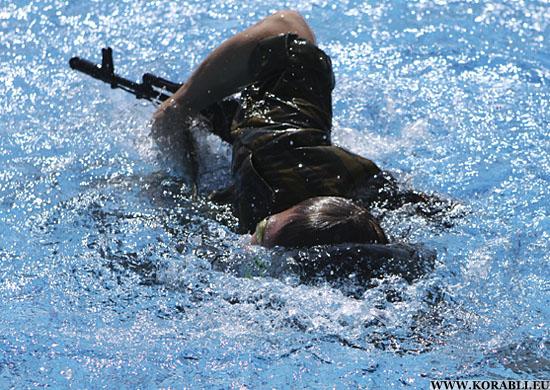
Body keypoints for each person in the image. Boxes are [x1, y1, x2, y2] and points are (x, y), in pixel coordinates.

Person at [152, 10, 442, 249]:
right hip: (287, 146)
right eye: (263, 229)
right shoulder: (272, 159)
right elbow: (285, 24)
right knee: (169, 119)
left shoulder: (364, 224)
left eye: (262, 232)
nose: (248, 246)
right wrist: (187, 101)